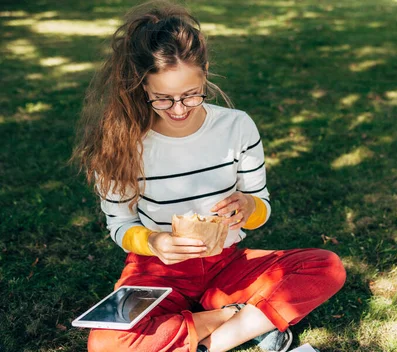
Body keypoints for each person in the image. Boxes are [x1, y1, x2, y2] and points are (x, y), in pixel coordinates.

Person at [71, 1, 346, 352]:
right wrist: (154, 242)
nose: (179, 109)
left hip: (226, 264)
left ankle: (209, 343)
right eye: (163, 99)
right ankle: (236, 317)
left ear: (205, 74)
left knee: (327, 267)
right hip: (157, 270)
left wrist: (248, 206)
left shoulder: (236, 126)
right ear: (142, 88)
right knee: (107, 344)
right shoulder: (122, 142)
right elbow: (119, 224)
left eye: (190, 95)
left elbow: (261, 206)